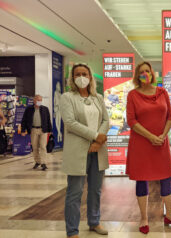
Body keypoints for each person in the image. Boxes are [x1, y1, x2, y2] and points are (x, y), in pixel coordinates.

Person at [126, 62, 171, 234]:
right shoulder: (132, 95)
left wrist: (162, 135)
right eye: (141, 72)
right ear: (137, 76)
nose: (145, 73)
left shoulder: (162, 92)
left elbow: (170, 116)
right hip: (141, 143)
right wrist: (151, 137)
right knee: (142, 178)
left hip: (161, 142)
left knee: (166, 177)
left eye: (147, 71)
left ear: (152, 73)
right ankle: (144, 218)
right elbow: (131, 121)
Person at [60, 63, 109, 238]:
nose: (81, 77)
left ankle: (94, 222)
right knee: (75, 192)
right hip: (77, 151)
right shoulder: (67, 97)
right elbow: (71, 123)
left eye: (85, 73)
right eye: (77, 74)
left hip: (98, 150)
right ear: (73, 78)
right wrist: (96, 135)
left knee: (95, 190)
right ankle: (72, 230)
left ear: (90, 77)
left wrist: (98, 142)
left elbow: (105, 120)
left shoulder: (98, 98)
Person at [21, 95, 52, 171]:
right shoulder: (29, 109)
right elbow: (24, 120)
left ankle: (44, 163)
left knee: (43, 146)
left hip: (43, 130)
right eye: (38, 100)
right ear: (34, 100)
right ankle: (37, 161)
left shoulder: (45, 109)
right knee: (35, 147)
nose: (39, 101)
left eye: (41, 100)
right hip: (33, 130)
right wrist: (23, 130)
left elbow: (48, 120)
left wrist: (50, 130)